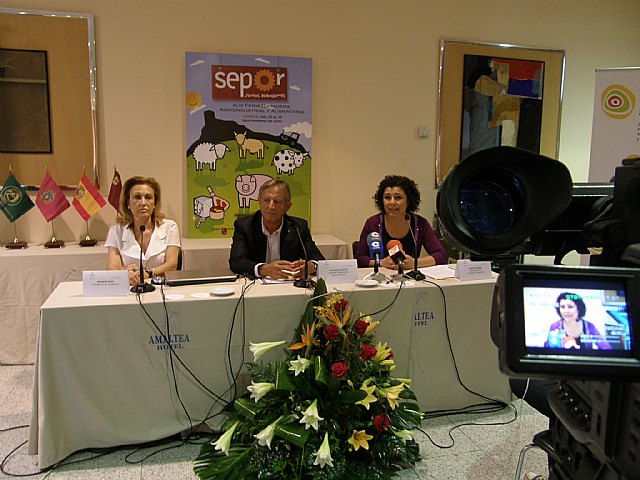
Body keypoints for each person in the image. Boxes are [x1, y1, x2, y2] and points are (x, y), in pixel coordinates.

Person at [229, 179, 324, 279]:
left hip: (288, 284)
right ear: (259, 202)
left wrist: (311, 266)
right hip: (255, 285)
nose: (271, 206)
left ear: (288, 206)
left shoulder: (298, 227)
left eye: (277, 201)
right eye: (266, 200)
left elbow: (319, 260)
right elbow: (236, 262)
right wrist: (263, 269)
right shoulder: (245, 226)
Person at [355, 175, 446, 270]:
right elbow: (360, 258)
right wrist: (380, 262)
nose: (392, 202)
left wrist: (415, 263)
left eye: (398, 197)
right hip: (380, 280)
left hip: (410, 280)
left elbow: (440, 255)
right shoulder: (372, 223)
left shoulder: (420, 223)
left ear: (408, 201)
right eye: (387, 197)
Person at [106, 176, 181, 286]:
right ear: (128, 202)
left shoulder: (170, 227)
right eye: (137, 197)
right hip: (130, 288)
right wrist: (124, 274)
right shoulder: (116, 231)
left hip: (161, 289)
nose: (143, 203)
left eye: (148, 197)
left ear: (154, 202)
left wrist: (148, 273)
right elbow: (113, 266)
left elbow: (172, 264)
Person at [544, 292, 611, 350]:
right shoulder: (555, 326)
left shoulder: (589, 327)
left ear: (579, 308)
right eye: (562, 307)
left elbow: (606, 348)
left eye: (570, 307)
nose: (566, 311)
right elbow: (548, 349)